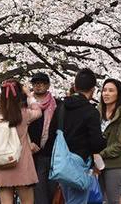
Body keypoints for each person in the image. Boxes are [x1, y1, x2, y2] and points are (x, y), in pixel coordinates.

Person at [46, 68, 107, 204]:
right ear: (92, 90)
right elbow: (96, 143)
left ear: (75, 86)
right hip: (79, 164)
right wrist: (105, 140)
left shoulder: (61, 108)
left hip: (62, 162)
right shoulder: (91, 112)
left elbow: (51, 135)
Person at [0, 79, 41, 204]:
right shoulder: (25, 114)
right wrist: (29, 95)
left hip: (2, 161)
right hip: (21, 162)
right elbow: (38, 111)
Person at [97, 79, 121, 204]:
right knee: (96, 199)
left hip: (114, 164)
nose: (106, 93)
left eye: (111, 90)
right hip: (95, 164)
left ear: (118, 94)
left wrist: (100, 154)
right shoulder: (97, 112)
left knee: (113, 200)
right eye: (104, 90)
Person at [28, 72, 58, 204]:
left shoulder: (57, 104)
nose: (38, 86)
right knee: (38, 191)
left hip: (52, 153)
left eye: (41, 83)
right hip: (32, 152)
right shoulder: (26, 104)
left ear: (48, 85)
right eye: (35, 83)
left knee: (52, 189)